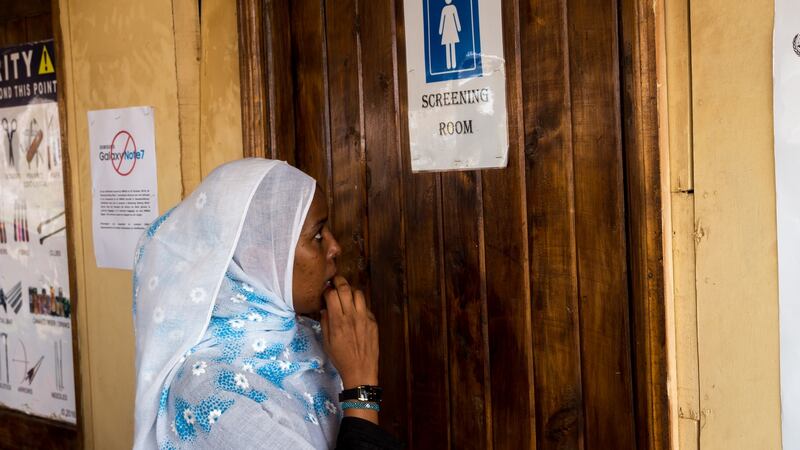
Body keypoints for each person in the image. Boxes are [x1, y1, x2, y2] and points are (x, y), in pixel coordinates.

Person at [132, 159, 401, 449]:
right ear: (259, 256)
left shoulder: (315, 337)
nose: (335, 247)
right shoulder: (208, 390)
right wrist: (361, 385)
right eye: (318, 235)